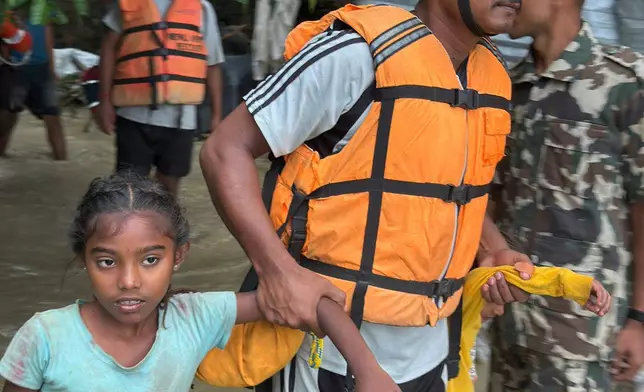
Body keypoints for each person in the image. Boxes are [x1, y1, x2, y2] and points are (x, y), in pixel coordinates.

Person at [200, 0, 534, 390]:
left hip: (433, 348)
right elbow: (225, 150)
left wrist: (491, 249)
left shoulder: (490, 75)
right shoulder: (356, 54)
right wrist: (277, 273)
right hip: (331, 348)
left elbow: (431, 188)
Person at [0, 171, 399, 392]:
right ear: (83, 259)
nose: (128, 280)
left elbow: (313, 302)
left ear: (179, 257)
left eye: (151, 260)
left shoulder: (192, 318)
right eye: (106, 261)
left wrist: (368, 371)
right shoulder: (44, 338)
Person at [487, 0, 644, 390]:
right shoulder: (506, 86)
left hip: (581, 339)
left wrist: (639, 320)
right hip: (508, 330)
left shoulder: (623, 83)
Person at [98, 0, 225, 197]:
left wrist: (216, 115)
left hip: (181, 119)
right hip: (133, 115)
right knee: (129, 188)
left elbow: (213, 64)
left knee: (168, 186)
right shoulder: (128, 4)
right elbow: (108, 49)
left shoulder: (202, 8)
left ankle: (164, 227)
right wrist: (104, 100)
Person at [0, 9, 66, 161]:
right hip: (14, 68)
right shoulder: (8, 6)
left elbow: (48, 35)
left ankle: (62, 165)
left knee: (53, 117)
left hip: (42, 68)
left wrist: (51, 68)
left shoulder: (44, 6)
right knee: (7, 117)